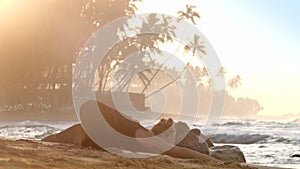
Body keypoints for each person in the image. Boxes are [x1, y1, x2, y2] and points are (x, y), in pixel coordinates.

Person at [79, 100, 219, 162]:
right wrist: (214, 161)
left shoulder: (144, 144)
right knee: (111, 144)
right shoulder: (149, 138)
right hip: (95, 110)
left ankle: (108, 145)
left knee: (101, 142)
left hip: (98, 126)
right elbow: (179, 151)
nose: (172, 142)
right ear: (166, 135)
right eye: (172, 137)